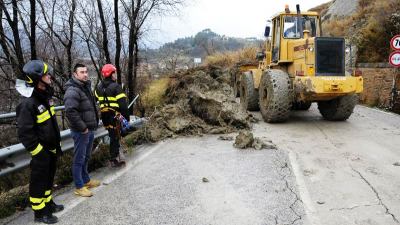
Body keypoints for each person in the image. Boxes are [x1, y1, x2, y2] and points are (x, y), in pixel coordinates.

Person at [16, 60, 64, 224]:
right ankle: (39, 213)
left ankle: (48, 204)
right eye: (45, 74)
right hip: (40, 151)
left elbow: (49, 124)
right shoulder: (28, 103)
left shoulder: (45, 96)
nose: (49, 76)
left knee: (48, 178)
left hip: (50, 148)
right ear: (37, 79)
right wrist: (38, 152)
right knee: (38, 181)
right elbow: (24, 132)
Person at [64, 63, 100, 197]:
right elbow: (70, 111)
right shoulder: (73, 90)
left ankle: (86, 180)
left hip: (89, 129)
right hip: (81, 131)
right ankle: (79, 186)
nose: (85, 74)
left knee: (86, 156)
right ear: (75, 74)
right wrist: (83, 128)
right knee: (79, 159)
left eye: (86, 72)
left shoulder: (85, 87)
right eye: (82, 72)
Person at [95, 64, 129, 167]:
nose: (116, 75)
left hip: (105, 116)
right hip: (115, 116)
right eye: (115, 73)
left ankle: (115, 156)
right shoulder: (117, 87)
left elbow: (96, 100)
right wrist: (126, 119)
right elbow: (123, 106)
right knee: (115, 136)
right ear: (111, 74)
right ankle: (114, 158)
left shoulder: (98, 87)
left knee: (113, 135)